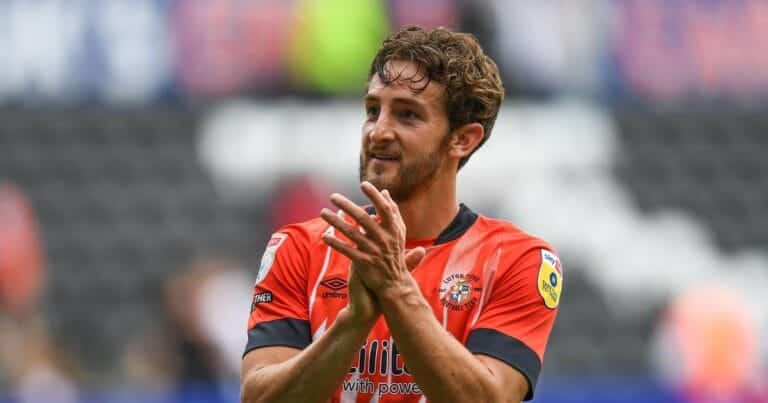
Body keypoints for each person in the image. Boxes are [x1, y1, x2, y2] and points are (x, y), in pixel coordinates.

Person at [241, 25, 563, 403]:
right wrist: (353, 323)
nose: (378, 131)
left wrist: (395, 289)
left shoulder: (516, 260)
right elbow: (259, 399)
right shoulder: (300, 248)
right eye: (373, 110)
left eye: (407, 115)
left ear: (463, 139)